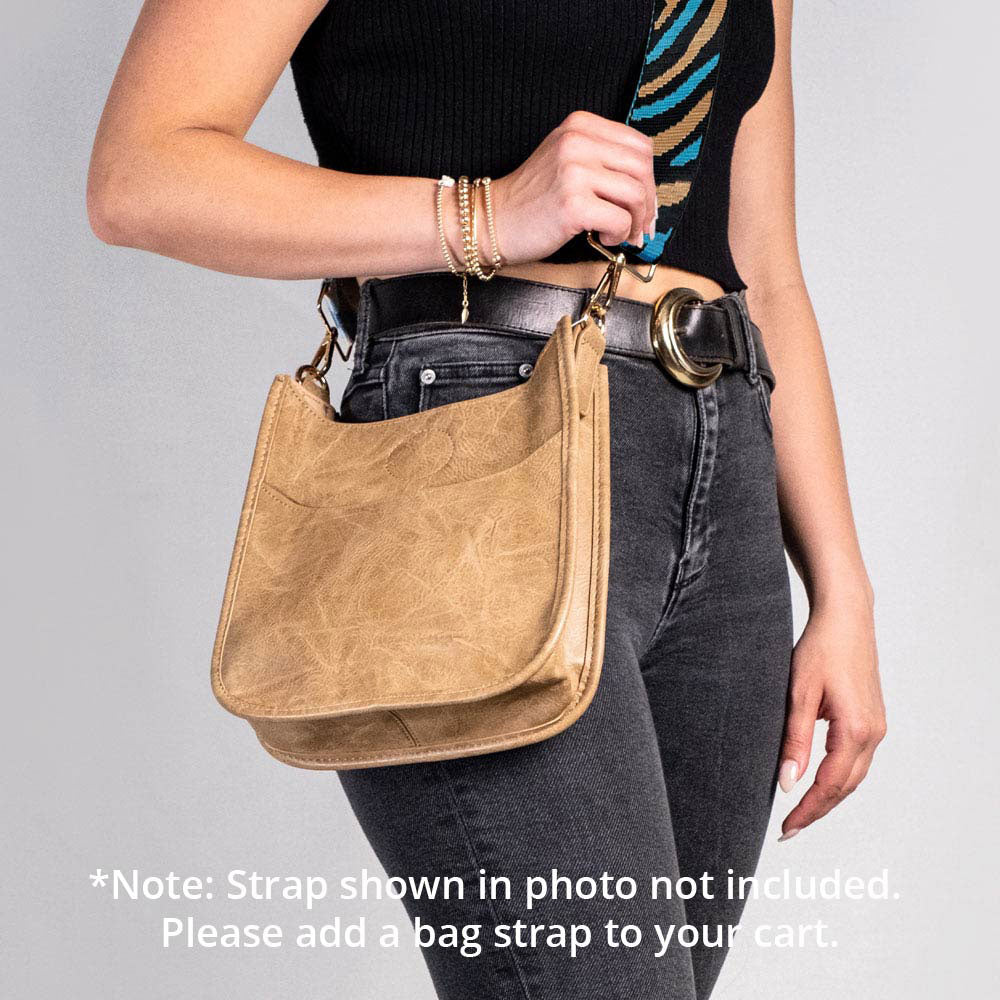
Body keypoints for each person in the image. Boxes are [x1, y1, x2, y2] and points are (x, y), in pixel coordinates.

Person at [87, 1, 886, 996]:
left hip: (724, 477)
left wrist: (841, 592)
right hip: (474, 459)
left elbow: (763, 266)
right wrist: (482, 215)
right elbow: (141, 170)